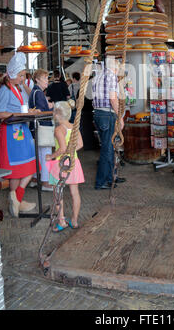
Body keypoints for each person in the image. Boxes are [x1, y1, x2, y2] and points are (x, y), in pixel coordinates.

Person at [0, 53, 37, 217]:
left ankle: (17, 198)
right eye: (20, 75)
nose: (22, 78)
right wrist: (15, 114)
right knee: (16, 168)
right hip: (12, 133)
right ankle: (16, 200)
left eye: (23, 75)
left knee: (28, 165)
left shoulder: (18, 88)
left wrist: (30, 111)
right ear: (11, 75)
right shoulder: (4, 90)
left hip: (22, 130)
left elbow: (22, 108)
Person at [46, 100, 84, 231]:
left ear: (56, 115)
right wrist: (71, 151)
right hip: (74, 162)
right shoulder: (74, 127)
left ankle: (61, 221)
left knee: (58, 193)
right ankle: (74, 220)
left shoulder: (58, 129)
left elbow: (61, 149)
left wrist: (50, 156)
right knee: (75, 193)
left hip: (60, 164)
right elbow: (80, 145)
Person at [92, 57, 126, 189]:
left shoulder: (98, 75)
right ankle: (101, 182)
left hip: (99, 114)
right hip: (107, 114)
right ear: (116, 67)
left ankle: (112, 177)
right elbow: (113, 99)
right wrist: (120, 117)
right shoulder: (111, 76)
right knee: (107, 149)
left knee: (108, 147)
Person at [28, 69, 54, 191]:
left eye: (47, 78)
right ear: (37, 79)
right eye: (45, 78)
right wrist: (52, 109)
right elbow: (40, 112)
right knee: (45, 154)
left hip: (36, 127)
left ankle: (34, 178)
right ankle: (45, 182)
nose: (47, 81)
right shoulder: (38, 93)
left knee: (37, 153)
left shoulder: (35, 92)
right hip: (42, 127)